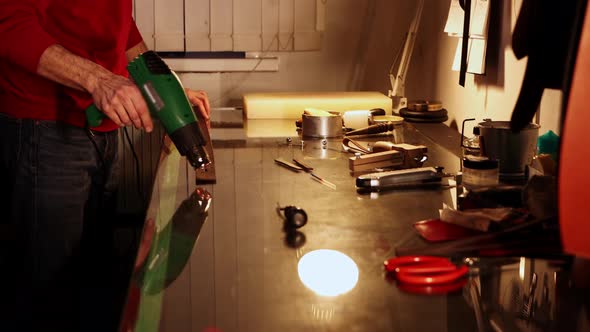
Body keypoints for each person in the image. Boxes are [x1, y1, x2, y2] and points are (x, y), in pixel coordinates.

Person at [0, 1, 210, 331]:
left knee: (90, 281)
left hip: (100, 128)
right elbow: (8, 22)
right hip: (44, 127)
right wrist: (99, 80)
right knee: (49, 293)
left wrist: (169, 90)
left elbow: (121, 26)